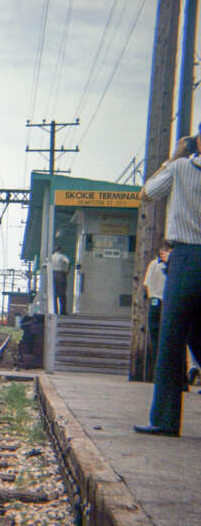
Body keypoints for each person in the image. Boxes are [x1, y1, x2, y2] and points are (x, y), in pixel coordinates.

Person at [135, 134, 201, 437]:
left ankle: (165, 419)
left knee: (172, 339)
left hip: (187, 257)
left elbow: (147, 193)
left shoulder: (180, 168)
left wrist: (174, 156)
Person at [143, 243, 171, 378]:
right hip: (162, 302)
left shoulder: (155, 264)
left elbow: (146, 284)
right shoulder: (158, 264)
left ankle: (159, 372)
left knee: (157, 338)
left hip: (157, 301)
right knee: (160, 338)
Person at [49, 246, 70, 315]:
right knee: (62, 294)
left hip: (53, 275)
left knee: (54, 294)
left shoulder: (51, 257)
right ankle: (63, 311)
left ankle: (55, 311)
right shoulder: (62, 256)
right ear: (60, 250)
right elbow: (68, 261)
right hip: (61, 275)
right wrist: (67, 270)